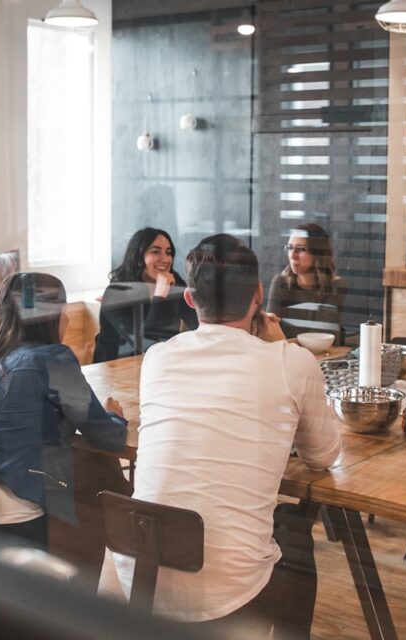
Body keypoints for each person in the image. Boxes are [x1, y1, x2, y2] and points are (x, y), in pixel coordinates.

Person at [116, 233, 342, 637]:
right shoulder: (292, 362)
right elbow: (323, 456)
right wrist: (282, 346)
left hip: (140, 577)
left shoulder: (158, 358)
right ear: (259, 294)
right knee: (295, 537)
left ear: (189, 299)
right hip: (227, 595)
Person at [0, 272, 128, 551]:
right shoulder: (52, 361)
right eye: (63, 313)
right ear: (51, 317)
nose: (66, 320)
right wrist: (115, 415)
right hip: (12, 518)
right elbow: (108, 437)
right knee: (96, 484)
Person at [93, 228, 199, 362]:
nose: (165, 259)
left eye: (168, 253)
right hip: (115, 370)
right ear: (138, 257)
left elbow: (198, 324)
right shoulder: (117, 292)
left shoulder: (174, 282)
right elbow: (148, 345)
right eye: (155, 252)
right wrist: (160, 296)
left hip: (160, 364)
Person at [266, 223, 346, 340]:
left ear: (317, 254)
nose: (293, 256)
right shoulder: (281, 283)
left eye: (301, 249)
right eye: (290, 248)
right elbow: (269, 330)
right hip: (284, 353)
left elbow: (323, 336)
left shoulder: (335, 286)